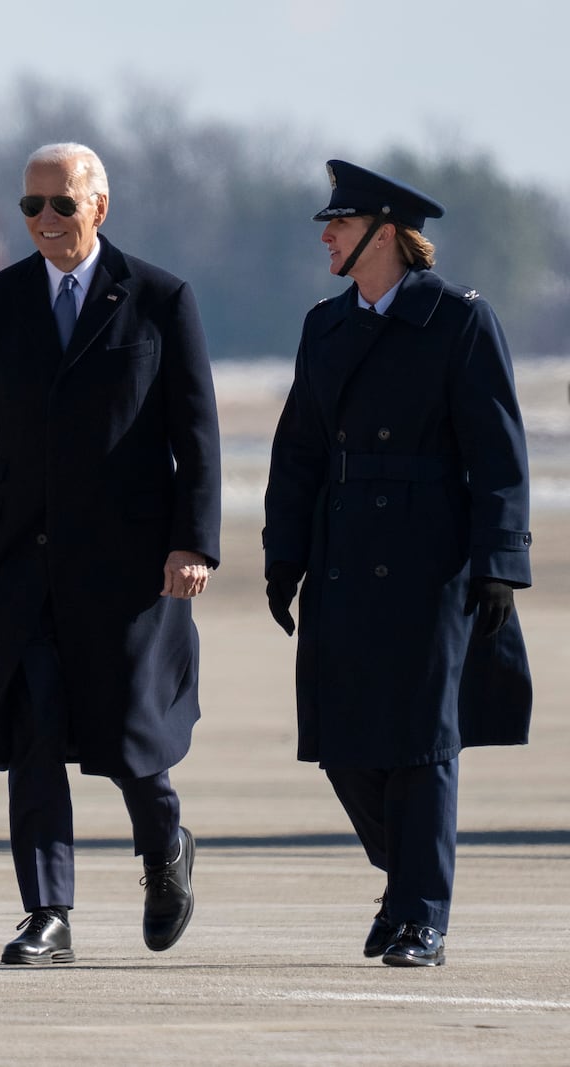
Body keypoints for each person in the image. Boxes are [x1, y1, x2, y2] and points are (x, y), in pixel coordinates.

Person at [0, 143, 221, 966]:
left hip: (131, 568)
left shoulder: (161, 299)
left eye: (60, 204)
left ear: (100, 205)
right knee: (33, 732)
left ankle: (165, 849)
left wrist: (193, 541)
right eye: (31, 207)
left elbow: (195, 435)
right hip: (21, 561)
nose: (45, 222)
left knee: (128, 735)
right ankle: (48, 913)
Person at [263, 160, 532, 968]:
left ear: (386, 233)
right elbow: (298, 452)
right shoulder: (325, 326)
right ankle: (409, 877)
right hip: (344, 554)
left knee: (423, 742)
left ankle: (420, 915)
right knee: (344, 743)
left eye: (339, 224)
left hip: (432, 562)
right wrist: (284, 558)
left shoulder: (460, 322)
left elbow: (499, 454)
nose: (326, 235)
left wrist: (500, 562)